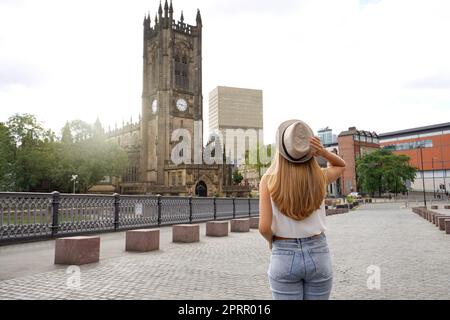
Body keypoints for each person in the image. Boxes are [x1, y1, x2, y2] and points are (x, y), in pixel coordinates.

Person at [258, 119, 346, 300]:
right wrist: (322, 152)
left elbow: (264, 227)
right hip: (318, 251)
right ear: (308, 149)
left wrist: (271, 242)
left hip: (283, 253)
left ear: (282, 149)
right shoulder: (319, 177)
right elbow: (340, 165)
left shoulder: (268, 181)